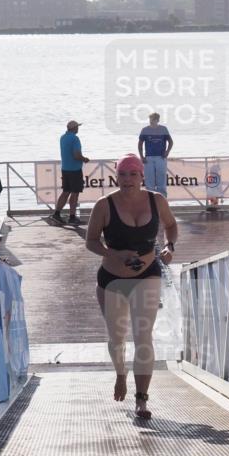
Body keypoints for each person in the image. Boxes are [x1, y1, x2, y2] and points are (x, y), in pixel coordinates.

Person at [86, 154, 178, 419]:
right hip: (112, 279)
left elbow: (171, 226)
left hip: (147, 274)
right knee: (117, 338)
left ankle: (142, 400)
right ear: (116, 177)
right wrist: (114, 254)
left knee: (143, 336)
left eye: (133, 174)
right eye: (123, 175)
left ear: (142, 177)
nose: (127, 180)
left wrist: (170, 246)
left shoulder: (156, 200)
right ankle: (120, 374)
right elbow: (91, 241)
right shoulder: (104, 205)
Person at [53, 120, 90, 225]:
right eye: (77, 127)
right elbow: (76, 155)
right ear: (74, 128)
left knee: (65, 192)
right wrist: (85, 159)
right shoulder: (75, 138)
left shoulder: (63, 137)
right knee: (74, 193)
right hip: (74, 170)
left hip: (65, 169)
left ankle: (56, 214)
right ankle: (72, 217)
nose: (78, 129)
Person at [137, 112, 173, 197]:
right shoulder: (145, 130)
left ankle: (162, 199)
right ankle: (150, 200)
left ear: (157, 120)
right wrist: (141, 156)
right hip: (148, 157)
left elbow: (170, 142)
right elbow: (140, 144)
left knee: (161, 180)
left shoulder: (163, 129)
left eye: (153, 119)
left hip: (161, 157)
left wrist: (167, 152)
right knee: (149, 181)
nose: (151, 121)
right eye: (150, 119)